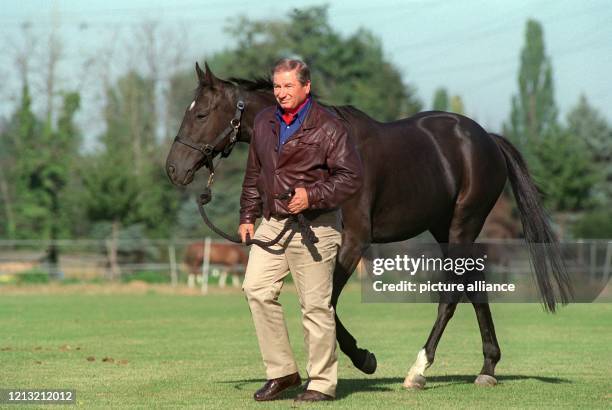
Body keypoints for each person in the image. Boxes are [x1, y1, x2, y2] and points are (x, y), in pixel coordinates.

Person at [239, 58, 363, 402]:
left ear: (306, 87)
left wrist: (312, 195)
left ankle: (322, 382)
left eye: (288, 86)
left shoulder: (329, 126)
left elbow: (352, 177)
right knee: (256, 288)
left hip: (316, 227)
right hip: (272, 223)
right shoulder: (264, 122)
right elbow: (254, 174)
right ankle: (283, 372)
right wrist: (248, 215)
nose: (281, 93)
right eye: (277, 86)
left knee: (315, 307)